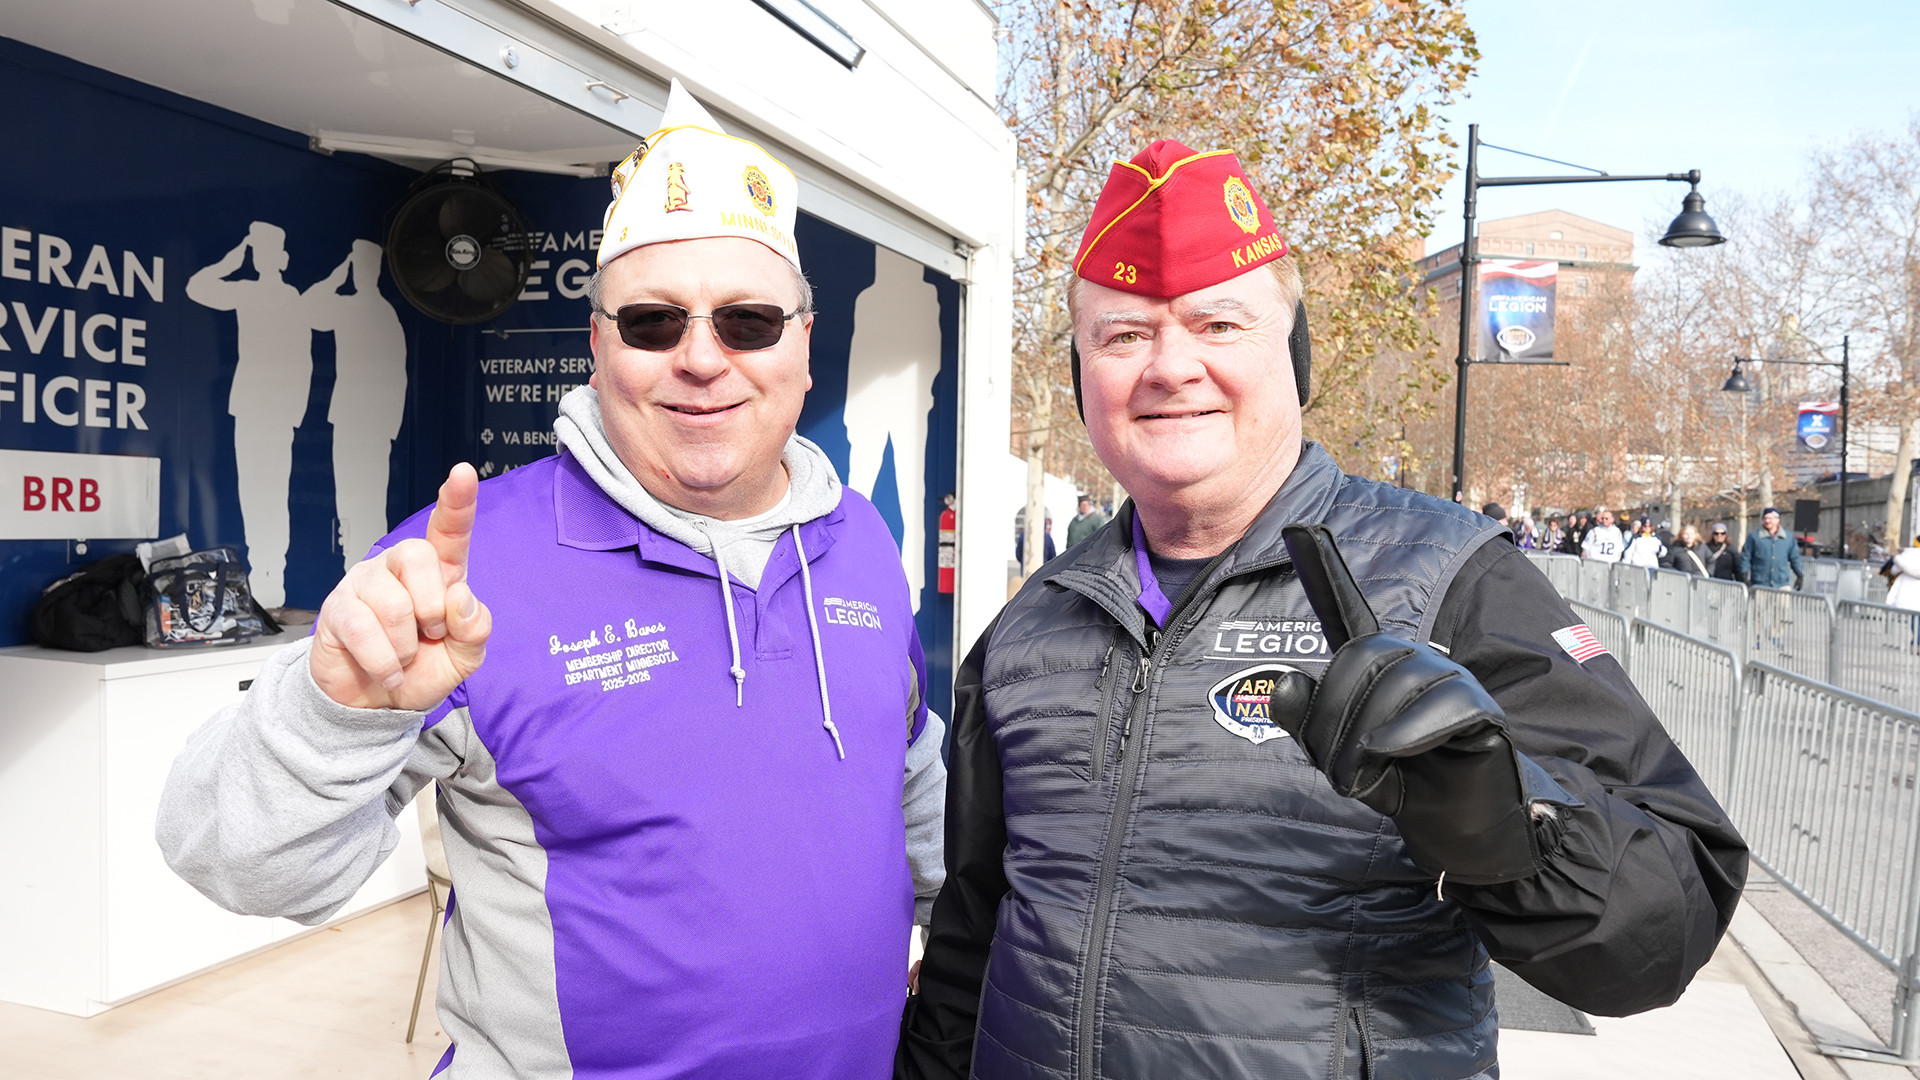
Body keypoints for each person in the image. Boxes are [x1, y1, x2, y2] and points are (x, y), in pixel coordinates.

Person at [897, 139, 1744, 1080]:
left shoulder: (1452, 578)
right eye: (1124, 334)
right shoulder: (1032, 625)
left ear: (1291, 357)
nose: (1171, 367)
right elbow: (975, 938)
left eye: (1219, 325)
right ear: (1081, 373)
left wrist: (1511, 824)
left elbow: (1663, 935)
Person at [159, 82, 946, 1080]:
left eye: (747, 321)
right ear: (597, 345)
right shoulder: (464, 567)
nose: (702, 358)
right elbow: (233, 860)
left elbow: (910, 779)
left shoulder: (861, 541)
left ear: (803, 344)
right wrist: (330, 717)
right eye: (654, 322)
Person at [1740, 506, 1804, 589]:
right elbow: (1745, 556)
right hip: (1760, 583)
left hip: (1782, 584)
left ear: (1778, 519)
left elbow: (1795, 557)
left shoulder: (1787, 537)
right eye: (1765, 518)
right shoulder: (1754, 537)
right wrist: (1744, 574)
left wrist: (1800, 574)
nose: (1767, 521)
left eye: (1770, 518)